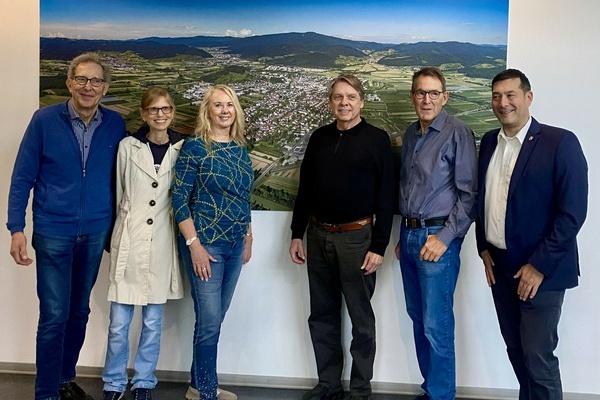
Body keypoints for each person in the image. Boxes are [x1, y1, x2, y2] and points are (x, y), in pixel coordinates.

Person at [6, 52, 126, 400]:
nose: (88, 87)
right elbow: (22, 177)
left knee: (79, 311)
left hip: (94, 232)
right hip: (53, 231)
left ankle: (63, 379)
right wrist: (16, 227)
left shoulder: (114, 125)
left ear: (105, 88)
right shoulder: (44, 120)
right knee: (54, 314)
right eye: (82, 79)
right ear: (70, 82)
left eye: (96, 81)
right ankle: (45, 392)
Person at [475, 69, 588, 400]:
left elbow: (572, 213)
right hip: (501, 266)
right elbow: (484, 200)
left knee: (538, 360)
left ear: (528, 97)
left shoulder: (559, 142)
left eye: (511, 95)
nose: (503, 103)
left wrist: (538, 265)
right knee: (517, 352)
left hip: (543, 271)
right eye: (496, 96)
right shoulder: (488, 144)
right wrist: (484, 248)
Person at [289, 74, 394, 400]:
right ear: (330, 102)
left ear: (361, 101)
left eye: (350, 97)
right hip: (318, 237)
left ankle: (360, 390)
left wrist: (379, 245)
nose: (344, 103)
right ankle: (329, 385)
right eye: (337, 97)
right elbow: (305, 189)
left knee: (361, 320)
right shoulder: (319, 138)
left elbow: (387, 197)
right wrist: (297, 234)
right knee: (321, 316)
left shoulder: (377, 139)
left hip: (357, 239)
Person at [395, 66, 477, 400]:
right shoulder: (412, 134)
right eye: (420, 92)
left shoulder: (458, 132)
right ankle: (432, 390)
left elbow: (469, 195)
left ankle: (442, 396)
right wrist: (404, 235)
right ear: (412, 96)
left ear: (444, 97)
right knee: (418, 319)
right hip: (410, 236)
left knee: (436, 325)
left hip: (437, 240)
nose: (426, 99)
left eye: (433, 93)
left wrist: (443, 239)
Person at [101, 87, 185, 400]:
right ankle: (113, 382)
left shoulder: (182, 148)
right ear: (144, 113)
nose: (160, 115)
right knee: (118, 323)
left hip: (163, 243)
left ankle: (144, 381)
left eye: (165, 109)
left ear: (172, 112)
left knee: (152, 322)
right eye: (153, 110)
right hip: (131, 241)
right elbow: (120, 193)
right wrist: (118, 235)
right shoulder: (127, 147)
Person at [172, 84, 253, 400]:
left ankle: (196, 384)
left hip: (234, 245)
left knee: (214, 318)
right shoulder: (195, 147)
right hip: (205, 245)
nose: (224, 111)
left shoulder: (240, 149)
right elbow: (179, 199)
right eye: (217, 105)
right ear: (207, 111)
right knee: (209, 322)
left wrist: (248, 236)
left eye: (229, 105)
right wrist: (194, 245)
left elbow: (243, 198)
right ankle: (206, 391)